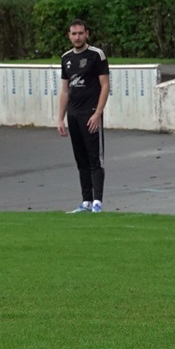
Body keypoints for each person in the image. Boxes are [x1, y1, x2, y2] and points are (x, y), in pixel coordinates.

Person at [58, 19, 110, 213]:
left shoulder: (96, 55)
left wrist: (98, 113)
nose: (77, 37)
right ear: (69, 36)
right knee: (81, 160)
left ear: (87, 34)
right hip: (73, 115)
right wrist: (60, 118)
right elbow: (65, 91)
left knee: (95, 159)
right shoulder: (66, 58)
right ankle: (86, 201)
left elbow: (105, 85)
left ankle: (97, 202)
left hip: (90, 114)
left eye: (80, 33)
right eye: (74, 34)